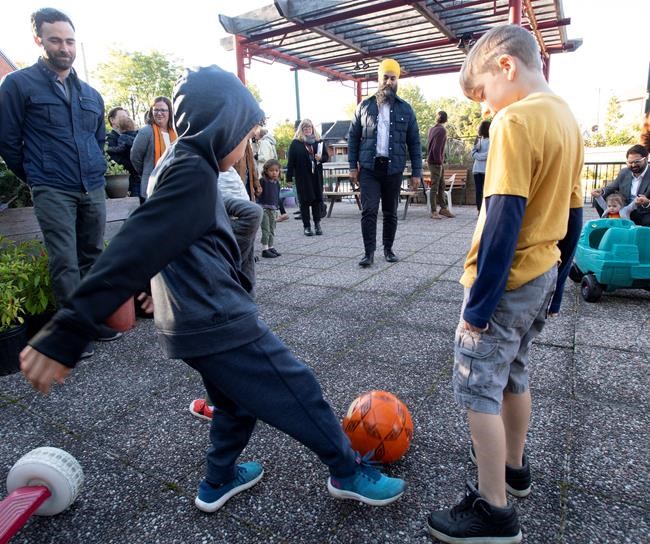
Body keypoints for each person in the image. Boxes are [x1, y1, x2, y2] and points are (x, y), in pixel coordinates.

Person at [20, 64, 406, 513]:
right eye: (243, 135)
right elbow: (137, 242)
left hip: (192, 323)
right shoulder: (193, 172)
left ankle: (218, 479)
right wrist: (68, 328)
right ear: (220, 126)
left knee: (234, 404)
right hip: (219, 318)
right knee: (298, 388)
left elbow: (167, 238)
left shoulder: (177, 165)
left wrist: (152, 289)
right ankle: (348, 470)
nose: (245, 147)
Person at [425, 25, 584, 543]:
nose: (487, 108)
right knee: (515, 371)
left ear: (507, 67)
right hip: (541, 274)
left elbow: (502, 218)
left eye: (485, 93)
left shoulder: (515, 121)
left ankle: (493, 511)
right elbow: (575, 213)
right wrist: (559, 286)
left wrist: (478, 308)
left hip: (506, 281)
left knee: (477, 388)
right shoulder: (566, 118)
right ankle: (514, 469)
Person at [0, 8, 121, 357]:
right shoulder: (19, 85)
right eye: (55, 40)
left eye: (69, 40)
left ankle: (91, 321)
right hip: (52, 186)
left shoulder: (91, 94)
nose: (64, 47)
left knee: (93, 256)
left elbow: (97, 139)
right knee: (64, 259)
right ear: (39, 39)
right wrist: (37, 175)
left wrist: (94, 170)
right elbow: (7, 140)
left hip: (91, 185)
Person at [189, 165, 263, 421]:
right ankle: (245, 395)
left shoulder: (202, 164)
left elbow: (252, 212)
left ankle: (216, 404)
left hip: (221, 233)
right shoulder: (216, 161)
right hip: (232, 232)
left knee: (217, 341)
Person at [348, 59, 421, 267]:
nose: (389, 82)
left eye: (393, 78)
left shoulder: (406, 110)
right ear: (378, 80)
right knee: (369, 210)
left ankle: (388, 249)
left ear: (397, 80)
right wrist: (352, 166)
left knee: (390, 211)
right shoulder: (364, 106)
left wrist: (416, 172)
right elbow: (353, 138)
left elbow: (414, 143)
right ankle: (368, 253)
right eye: (385, 78)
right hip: (370, 168)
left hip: (394, 169)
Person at [130, 96, 177, 202]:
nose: (159, 113)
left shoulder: (176, 132)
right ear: (151, 111)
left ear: (170, 112)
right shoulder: (146, 132)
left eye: (163, 110)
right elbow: (135, 157)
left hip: (174, 184)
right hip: (152, 186)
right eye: (156, 110)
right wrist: (148, 171)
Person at [287, 119, 328, 236]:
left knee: (316, 201)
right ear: (301, 130)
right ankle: (307, 227)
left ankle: (317, 224)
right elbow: (291, 162)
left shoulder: (318, 142)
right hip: (302, 178)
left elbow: (326, 157)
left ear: (313, 128)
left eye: (309, 128)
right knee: (304, 202)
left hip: (316, 177)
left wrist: (321, 158)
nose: (307, 130)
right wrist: (289, 178)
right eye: (305, 128)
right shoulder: (295, 143)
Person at [591, 144, 650, 226]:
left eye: (637, 162)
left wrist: (647, 203)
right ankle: (609, 222)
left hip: (644, 211)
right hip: (623, 208)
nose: (633, 165)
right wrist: (601, 191)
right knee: (599, 199)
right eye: (630, 162)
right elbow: (611, 187)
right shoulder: (624, 172)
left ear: (646, 158)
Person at [252, 126, 288, 222]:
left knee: (265, 192)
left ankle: (265, 212)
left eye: (255, 134)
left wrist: (255, 156)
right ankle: (282, 212)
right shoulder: (271, 142)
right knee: (274, 192)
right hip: (273, 170)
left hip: (267, 170)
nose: (254, 135)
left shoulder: (264, 142)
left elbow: (263, 157)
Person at [106, 107, 141, 197]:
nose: (126, 119)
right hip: (121, 185)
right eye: (122, 117)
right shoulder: (109, 139)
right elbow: (115, 160)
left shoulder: (137, 135)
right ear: (112, 120)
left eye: (127, 117)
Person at [427, 111, 455, 219]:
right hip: (436, 162)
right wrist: (439, 162)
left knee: (441, 185)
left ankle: (443, 208)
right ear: (446, 119)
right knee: (435, 186)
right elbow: (436, 148)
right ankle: (434, 211)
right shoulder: (442, 130)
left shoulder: (432, 129)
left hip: (434, 161)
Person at [258, 159, 282, 258]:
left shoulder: (276, 183)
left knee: (272, 229)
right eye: (271, 170)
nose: (274, 173)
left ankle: (271, 247)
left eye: (276, 170)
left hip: (273, 209)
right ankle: (265, 249)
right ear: (266, 171)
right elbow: (258, 193)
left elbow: (277, 196)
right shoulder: (263, 181)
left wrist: (281, 210)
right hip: (264, 209)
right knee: (266, 229)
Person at [471, 120, 491, 212]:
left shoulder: (491, 140)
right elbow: (472, 153)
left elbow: (489, 154)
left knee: (487, 191)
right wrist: (479, 156)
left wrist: (478, 156)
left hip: (486, 170)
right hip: (477, 170)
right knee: (478, 191)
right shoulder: (478, 140)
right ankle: (479, 210)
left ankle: (486, 210)